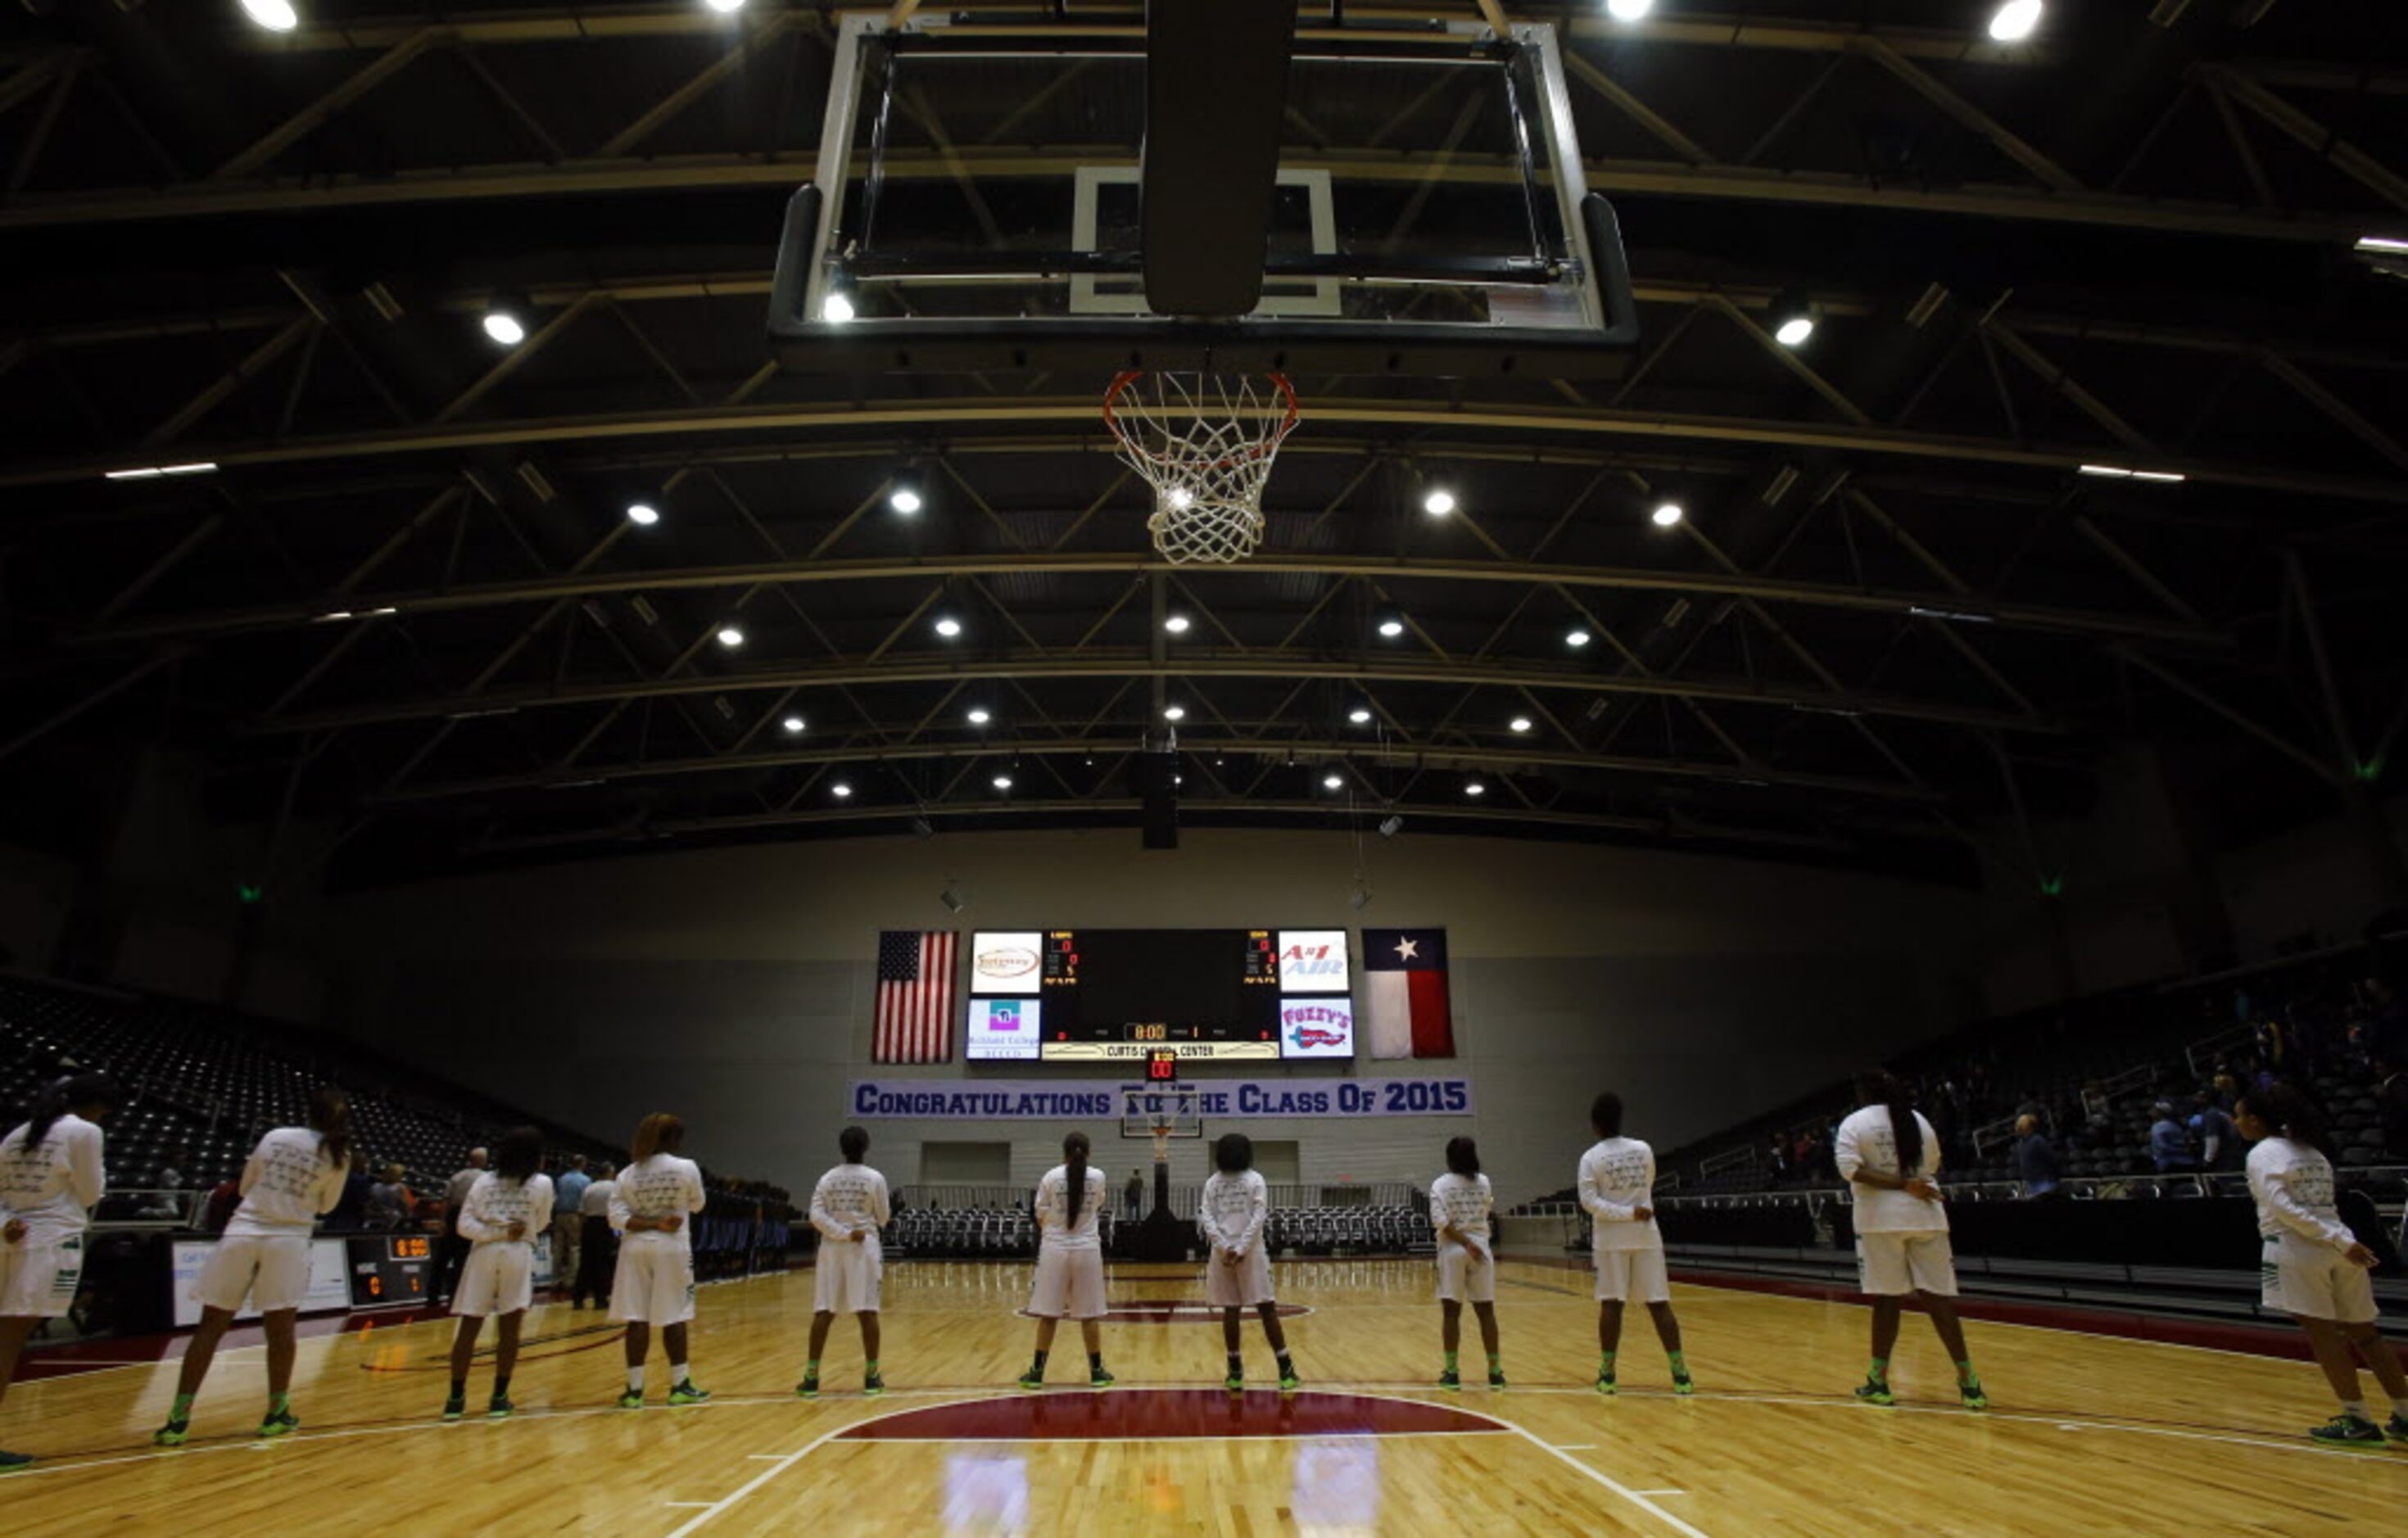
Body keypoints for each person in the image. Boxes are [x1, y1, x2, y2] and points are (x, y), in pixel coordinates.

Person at [154, 1088, 352, 1446]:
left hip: (244, 1231)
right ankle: (276, 1413)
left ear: (308, 1113)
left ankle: (177, 1419)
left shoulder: (275, 1136)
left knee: (210, 1326)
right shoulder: (339, 1155)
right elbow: (326, 1208)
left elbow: (245, 1186)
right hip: (288, 1239)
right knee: (281, 1330)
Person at [2234, 1083, 2408, 1445]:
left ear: (2254, 1119)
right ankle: (2405, 1414)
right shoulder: (2311, 1151)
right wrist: (2343, 1241)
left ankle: (2357, 1419)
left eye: (2239, 1116)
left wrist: (2336, 1239)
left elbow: (2285, 1208)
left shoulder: (2263, 1153)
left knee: (2325, 1336)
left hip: (2299, 1246)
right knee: (2368, 1334)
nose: (2236, 1123)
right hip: (2343, 1247)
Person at [1835, 1071, 1985, 1410]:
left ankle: (1879, 1381)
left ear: (1863, 1093)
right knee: (1938, 1300)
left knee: (1887, 1300)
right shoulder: (1918, 1119)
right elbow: (1931, 1164)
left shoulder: (1854, 1122)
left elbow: (1850, 1170)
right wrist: (1908, 1183)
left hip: (1881, 1221)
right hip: (1925, 1216)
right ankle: (1969, 1383)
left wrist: (1899, 1185)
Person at [0, 1073, 118, 1469]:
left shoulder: (19, 1132)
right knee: (9, 1340)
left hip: (7, 1235)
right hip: (48, 1240)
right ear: (98, 1107)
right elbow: (90, 1193)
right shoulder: (84, 1132)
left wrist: (6, 1222)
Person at [1579, 1092, 1689, 1397]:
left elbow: (1589, 1202)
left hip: (1611, 1239)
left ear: (1595, 1123)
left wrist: (1623, 1213)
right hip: (1645, 1233)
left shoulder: (1591, 1158)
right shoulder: (1644, 1150)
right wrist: (1632, 1212)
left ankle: (1608, 1374)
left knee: (1612, 1303)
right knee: (1658, 1303)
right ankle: (1680, 1374)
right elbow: (1646, 1188)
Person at [443, 1127, 553, 1421]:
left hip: (482, 1252)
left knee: (469, 1325)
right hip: (517, 1252)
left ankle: (455, 1399)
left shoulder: (483, 1182)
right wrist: (508, 1230)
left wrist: (492, 1231)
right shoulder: (542, 1183)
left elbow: (463, 1226)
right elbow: (541, 1223)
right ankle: (499, 1397)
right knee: (509, 1327)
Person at [609, 1116, 709, 1408]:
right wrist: (663, 1221)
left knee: (636, 1318)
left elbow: (616, 1217)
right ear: (672, 1139)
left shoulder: (627, 1174)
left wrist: (648, 1222)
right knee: (675, 1314)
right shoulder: (686, 1167)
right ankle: (680, 1384)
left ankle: (634, 1390)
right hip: (672, 1247)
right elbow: (698, 1203)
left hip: (634, 1247)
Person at [1198, 1133, 1297, 1394]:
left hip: (1225, 1254)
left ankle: (1235, 1372)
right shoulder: (1255, 1180)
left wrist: (1224, 1247)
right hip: (1249, 1252)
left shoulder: (1213, 1182)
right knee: (1266, 1308)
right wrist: (1240, 1248)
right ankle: (1285, 1368)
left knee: (1232, 1310)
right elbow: (1258, 1218)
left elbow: (1207, 1218)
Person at [799, 1126, 890, 1400]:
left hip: (831, 1249)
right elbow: (883, 1216)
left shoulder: (827, 1178)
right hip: (863, 1249)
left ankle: (811, 1378)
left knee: (824, 1311)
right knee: (867, 1312)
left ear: (841, 1147)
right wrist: (852, 1232)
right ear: (866, 1146)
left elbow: (815, 1215)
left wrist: (840, 1232)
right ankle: (872, 1376)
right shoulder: (875, 1178)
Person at [1018, 1130, 1113, 1391]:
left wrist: (1055, 1226)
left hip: (1054, 1250)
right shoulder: (1098, 1177)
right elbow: (1097, 1206)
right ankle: (1097, 1372)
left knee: (1048, 1314)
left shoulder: (1051, 1176)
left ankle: (1037, 1372)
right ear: (1088, 1151)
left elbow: (1039, 1213)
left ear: (1064, 1152)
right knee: (1089, 1314)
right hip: (1087, 1249)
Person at [1430, 1135, 1502, 1391]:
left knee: (1451, 1312)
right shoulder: (1484, 1182)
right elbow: (1486, 1211)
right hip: (1480, 1249)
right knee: (1486, 1312)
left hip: (1453, 1250)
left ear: (1450, 1158)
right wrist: (1473, 1243)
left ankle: (1451, 1372)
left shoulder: (1440, 1184)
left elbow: (1442, 1223)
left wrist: (1463, 1242)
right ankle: (1495, 1372)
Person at [435, 1147, 489, 1303]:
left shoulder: (457, 1176)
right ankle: (456, 1295)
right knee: (462, 1258)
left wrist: (442, 1221)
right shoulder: (486, 1178)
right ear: (483, 1161)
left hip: (454, 1215)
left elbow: (446, 1200)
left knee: (442, 1258)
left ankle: (433, 1295)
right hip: (472, 1216)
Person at [574, 1162, 617, 1310]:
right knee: (603, 1263)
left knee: (585, 1263)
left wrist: (581, 1231)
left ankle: (578, 1299)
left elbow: (581, 1212)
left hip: (589, 1225)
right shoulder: (614, 1187)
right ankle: (600, 1299)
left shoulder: (589, 1188)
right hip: (605, 1225)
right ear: (609, 1173)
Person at [552, 1155, 591, 1296]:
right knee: (574, 1247)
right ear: (582, 1164)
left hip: (559, 1214)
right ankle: (571, 1280)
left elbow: (556, 1196)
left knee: (558, 1248)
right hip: (574, 1215)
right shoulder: (586, 1180)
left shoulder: (562, 1178)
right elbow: (585, 1201)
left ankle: (555, 1280)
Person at [2014, 1115, 2060, 1199]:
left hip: (2044, 1182)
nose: (2019, 1128)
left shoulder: (2038, 1140)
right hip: (2031, 1183)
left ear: (2029, 1127)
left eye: (2022, 1125)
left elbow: (2051, 1159)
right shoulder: (2021, 1143)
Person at [2191, 1095, 2241, 1174]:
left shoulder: (2211, 1115)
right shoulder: (2223, 1113)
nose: (2196, 1099)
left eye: (2199, 1097)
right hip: (2235, 1154)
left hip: (2223, 1158)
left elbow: (2212, 1138)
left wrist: (2208, 1160)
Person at [2148, 1101, 2198, 1174]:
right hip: (2187, 1162)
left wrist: (2181, 1151)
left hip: (2171, 1164)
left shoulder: (2158, 1127)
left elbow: (2163, 1147)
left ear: (2159, 1112)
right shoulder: (2176, 1125)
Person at [332, 1149, 373, 1230]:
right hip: (351, 1219)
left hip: (333, 1216)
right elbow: (364, 1201)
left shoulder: (339, 1175)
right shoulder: (361, 1180)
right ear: (361, 1164)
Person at [365, 1162, 414, 1231]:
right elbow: (408, 1205)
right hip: (396, 1220)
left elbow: (370, 1204)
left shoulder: (375, 1186)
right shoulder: (400, 1187)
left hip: (379, 1218)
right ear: (398, 1175)